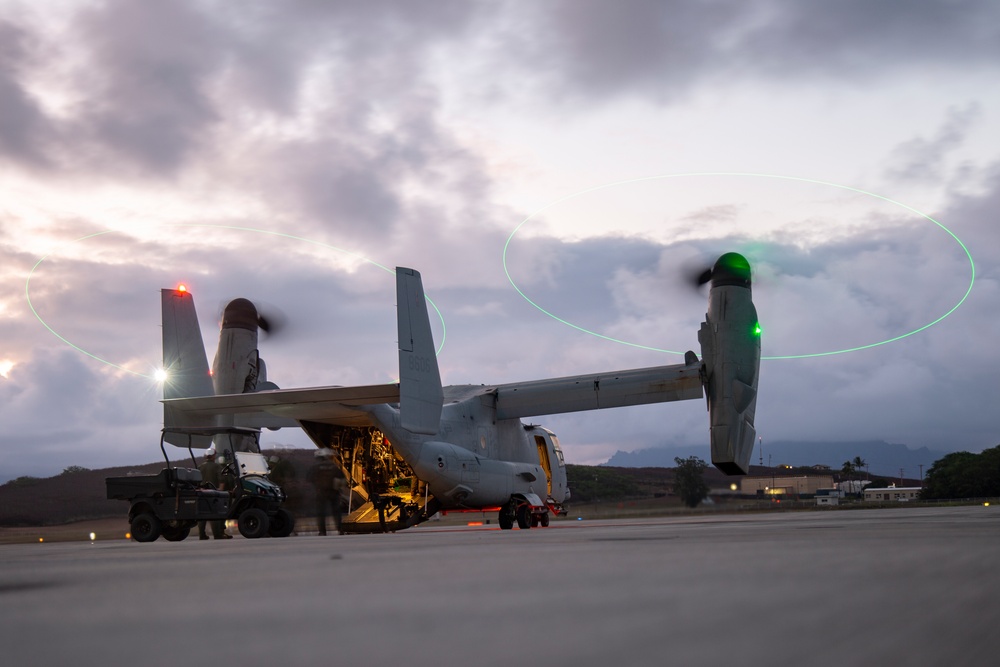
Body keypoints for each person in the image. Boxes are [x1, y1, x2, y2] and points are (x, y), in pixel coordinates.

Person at [310, 448, 346, 535]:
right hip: (334, 492)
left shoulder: (315, 468)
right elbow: (343, 479)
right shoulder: (334, 467)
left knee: (321, 513)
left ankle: (322, 531)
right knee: (336, 512)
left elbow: (309, 479)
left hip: (321, 493)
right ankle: (340, 529)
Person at [198, 448, 230, 540]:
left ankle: (202, 535)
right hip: (213, 493)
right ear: (213, 455)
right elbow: (222, 480)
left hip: (202, 493)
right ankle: (217, 534)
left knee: (202, 515)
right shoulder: (217, 467)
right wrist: (220, 491)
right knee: (216, 514)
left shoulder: (200, 467)